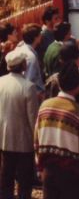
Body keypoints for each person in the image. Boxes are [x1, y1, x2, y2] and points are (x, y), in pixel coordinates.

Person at [34, 62, 79, 199]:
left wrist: (40, 167)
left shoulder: (44, 107)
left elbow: (36, 141)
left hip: (49, 173)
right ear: (78, 86)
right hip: (73, 177)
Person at [0, 50, 39, 199]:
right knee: (24, 179)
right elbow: (33, 118)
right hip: (24, 141)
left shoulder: (1, 82)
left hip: (4, 137)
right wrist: (37, 141)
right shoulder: (28, 87)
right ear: (23, 65)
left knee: (6, 176)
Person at [16, 23, 44, 94]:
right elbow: (29, 81)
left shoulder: (20, 47)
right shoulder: (31, 57)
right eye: (40, 34)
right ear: (35, 37)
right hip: (34, 94)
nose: (41, 36)